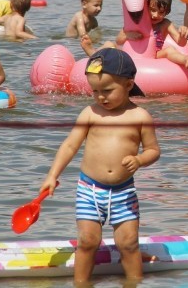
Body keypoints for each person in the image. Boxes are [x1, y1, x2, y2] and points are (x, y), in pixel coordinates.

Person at [38, 48, 161, 284]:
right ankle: (81, 284)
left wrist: (140, 160)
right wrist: (52, 175)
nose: (100, 97)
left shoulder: (141, 116)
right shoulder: (90, 113)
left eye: (107, 90)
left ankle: (133, 282)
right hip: (90, 190)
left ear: (128, 84)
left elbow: (153, 150)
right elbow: (70, 146)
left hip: (123, 192)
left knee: (129, 243)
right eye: (94, 91)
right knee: (87, 241)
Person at [112, 0, 188, 68]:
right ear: (146, 6)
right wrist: (128, 35)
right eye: (152, 10)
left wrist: (183, 35)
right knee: (111, 46)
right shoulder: (138, 21)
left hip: (154, 55)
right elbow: (118, 40)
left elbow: (180, 43)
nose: (155, 15)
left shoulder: (165, 24)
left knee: (169, 50)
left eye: (161, 12)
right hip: (136, 55)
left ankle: (186, 60)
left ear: (167, 12)